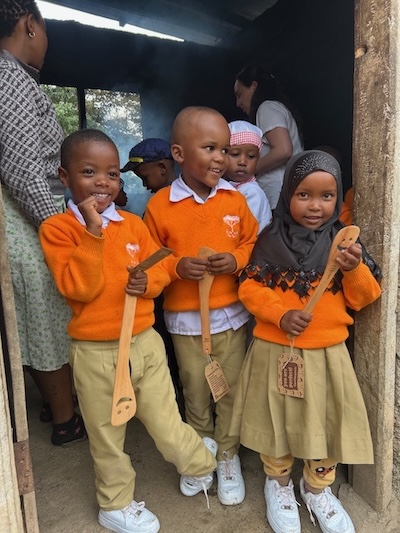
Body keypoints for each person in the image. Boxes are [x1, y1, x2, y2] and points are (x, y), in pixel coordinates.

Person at [39, 128, 218, 533]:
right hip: (95, 352)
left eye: (112, 174)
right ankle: (115, 504)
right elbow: (78, 287)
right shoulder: (58, 230)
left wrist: (147, 284)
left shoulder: (135, 225)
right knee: (106, 435)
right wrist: (92, 230)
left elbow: (160, 270)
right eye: (89, 171)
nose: (103, 182)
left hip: (145, 343)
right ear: (65, 178)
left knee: (166, 420)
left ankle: (198, 465)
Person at [230, 150, 382, 533]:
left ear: (337, 200)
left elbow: (363, 298)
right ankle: (278, 484)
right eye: (304, 195)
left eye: (326, 196)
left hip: (327, 355)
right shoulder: (269, 240)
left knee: (326, 425)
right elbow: (248, 287)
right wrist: (279, 315)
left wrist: (354, 269)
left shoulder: (345, 247)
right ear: (286, 195)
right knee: (275, 423)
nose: (315, 206)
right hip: (275, 351)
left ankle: (316, 488)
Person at [143, 106, 258, 507]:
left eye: (224, 150)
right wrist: (175, 266)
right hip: (185, 321)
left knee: (229, 390)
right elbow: (150, 256)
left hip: (230, 317)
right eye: (210, 148)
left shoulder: (236, 200)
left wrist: (238, 261)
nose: (221, 159)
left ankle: (227, 457)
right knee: (194, 389)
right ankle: (200, 455)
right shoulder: (159, 206)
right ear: (178, 153)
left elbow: (251, 243)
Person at [0, 0, 85, 445]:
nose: (46, 43)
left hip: (26, 219)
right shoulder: (9, 77)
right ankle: (66, 417)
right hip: (24, 221)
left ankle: (57, 404)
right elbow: (23, 171)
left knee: (35, 321)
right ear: (29, 24)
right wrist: (61, 230)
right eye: (45, 30)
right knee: (47, 318)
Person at [234, 63, 303, 209]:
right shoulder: (275, 106)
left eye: (239, 95)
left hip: (277, 195)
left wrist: (247, 171)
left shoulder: (266, 108)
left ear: (253, 86)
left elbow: (283, 150)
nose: (238, 103)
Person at [226, 120, 272, 234]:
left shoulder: (251, 192)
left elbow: (246, 232)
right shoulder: (224, 187)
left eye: (251, 156)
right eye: (235, 154)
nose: (243, 162)